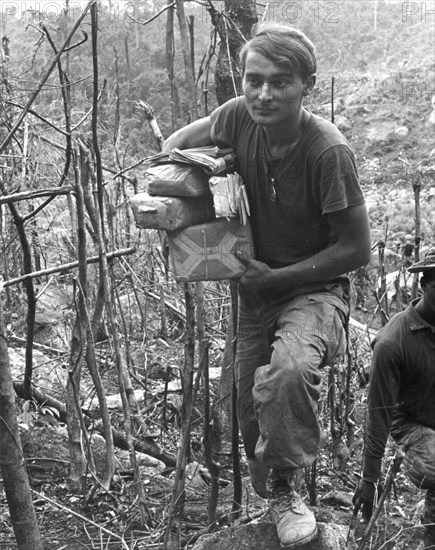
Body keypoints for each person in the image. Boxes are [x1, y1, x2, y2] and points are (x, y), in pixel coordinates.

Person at [162, 23, 371, 549]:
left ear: (308, 85)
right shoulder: (237, 115)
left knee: (290, 372)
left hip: (315, 288)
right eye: (254, 80)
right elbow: (177, 144)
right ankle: (272, 478)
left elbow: (356, 250)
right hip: (252, 291)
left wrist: (279, 276)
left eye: (280, 82)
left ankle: (286, 491)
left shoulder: (328, 153)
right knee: (250, 411)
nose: (263, 94)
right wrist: (206, 172)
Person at [353, 247, 435, 549]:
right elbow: (379, 412)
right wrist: (369, 478)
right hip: (411, 421)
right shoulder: (392, 341)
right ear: (425, 285)